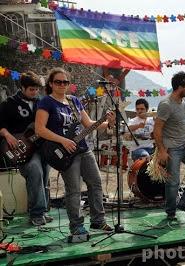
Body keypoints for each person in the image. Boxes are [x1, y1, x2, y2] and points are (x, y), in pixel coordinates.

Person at [35, 67, 115, 237]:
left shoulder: (74, 101)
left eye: (65, 82)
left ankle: (98, 221)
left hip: (83, 148)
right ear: (51, 84)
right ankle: (76, 226)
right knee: (74, 189)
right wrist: (63, 140)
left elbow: (89, 124)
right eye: (58, 81)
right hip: (64, 151)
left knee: (96, 182)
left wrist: (106, 122)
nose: (62, 84)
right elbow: (40, 129)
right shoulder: (46, 102)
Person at [0, 71, 52, 226]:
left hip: (42, 145)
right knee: (35, 171)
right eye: (31, 89)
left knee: (44, 177)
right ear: (22, 87)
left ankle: (41, 211)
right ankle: (37, 213)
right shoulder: (8, 103)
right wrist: (7, 135)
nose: (35, 92)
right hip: (21, 149)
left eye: (37, 89)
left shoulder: (42, 102)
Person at [153, 71, 185, 219]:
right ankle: (171, 212)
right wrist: (162, 151)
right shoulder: (166, 105)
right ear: (180, 87)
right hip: (172, 148)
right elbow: (157, 130)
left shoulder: (183, 102)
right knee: (173, 182)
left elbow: (182, 126)